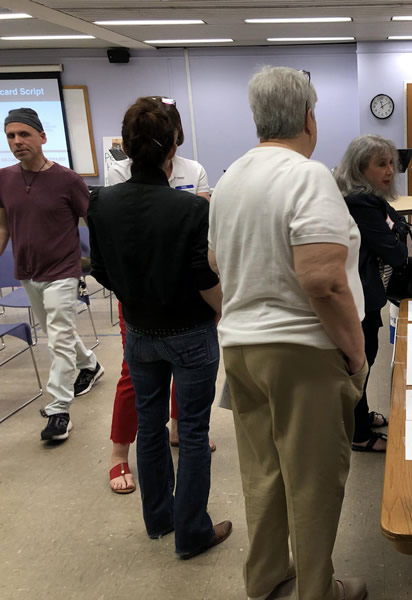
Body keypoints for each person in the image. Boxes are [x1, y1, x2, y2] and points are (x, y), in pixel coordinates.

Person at [209, 66, 368, 600]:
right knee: (313, 482)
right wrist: (356, 353)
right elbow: (323, 280)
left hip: (241, 348)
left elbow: (215, 259)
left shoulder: (231, 177)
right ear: (308, 118)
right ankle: (317, 592)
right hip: (301, 352)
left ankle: (267, 576)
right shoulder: (308, 175)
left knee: (264, 473)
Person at [87, 97, 230, 558]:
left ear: (126, 148)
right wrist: (221, 310)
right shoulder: (190, 211)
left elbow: (101, 269)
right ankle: (192, 534)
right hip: (189, 332)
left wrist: (135, 294)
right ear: (174, 147)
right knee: (190, 432)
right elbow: (205, 279)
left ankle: (159, 521)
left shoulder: (101, 203)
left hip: (140, 332)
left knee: (149, 429)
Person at [105, 97, 214, 494]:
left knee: (182, 374)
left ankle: (179, 429)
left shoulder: (194, 170)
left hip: (185, 292)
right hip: (140, 294)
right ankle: (119, 453)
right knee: (131, 377)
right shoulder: (119, 175)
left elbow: (200, 235)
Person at [0, 107, 103, 442]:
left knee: (57, 338)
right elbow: (3, 226)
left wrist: (102, 260)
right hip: (28, 271)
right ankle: (90, 364)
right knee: (58, 331)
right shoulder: (4, 178)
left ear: (42, 137)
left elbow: (93, 223)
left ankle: (59, 409)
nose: (17, 141)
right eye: (11, 136)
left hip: (63, 270)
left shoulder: (67, 180)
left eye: (24, 134)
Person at [336, 134, 408, 453]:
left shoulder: (370, 197)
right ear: (360, 168)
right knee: (362, 361)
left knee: (366, 357)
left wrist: (396, 230)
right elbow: (396, 253)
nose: (390, 170)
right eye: (381, 164)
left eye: (391, 162)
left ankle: (361, 418)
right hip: (359, 295)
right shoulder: (361, 202)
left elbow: (399, 224)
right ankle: (359, 433)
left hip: (365, 293)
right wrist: (395, 233)